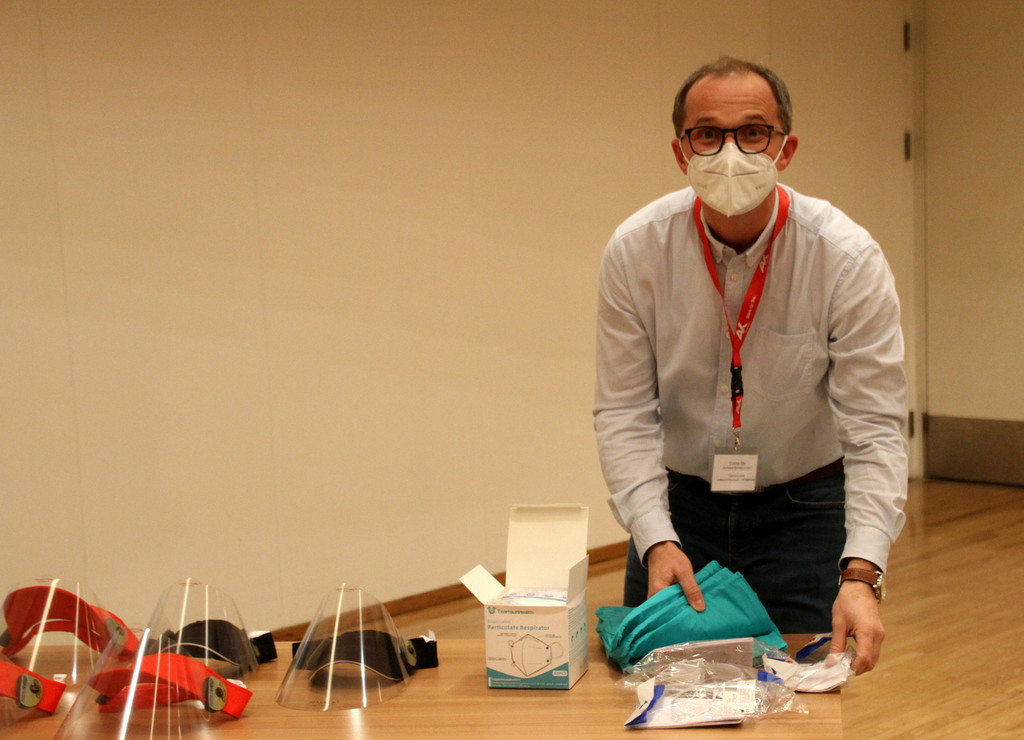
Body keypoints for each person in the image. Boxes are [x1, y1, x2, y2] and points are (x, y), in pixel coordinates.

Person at [593, 57, 908, 675]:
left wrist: (862, 574)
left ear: (785, 148)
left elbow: (875, 428)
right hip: (677, 513)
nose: (730, 152)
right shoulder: (637, 251)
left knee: (802, 697)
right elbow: (624, 412)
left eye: (753, 132)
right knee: (656, 694)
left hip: (804, 514)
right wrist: (654, 537)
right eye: (708, 134)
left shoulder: (844, 258)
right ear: (681, 152)